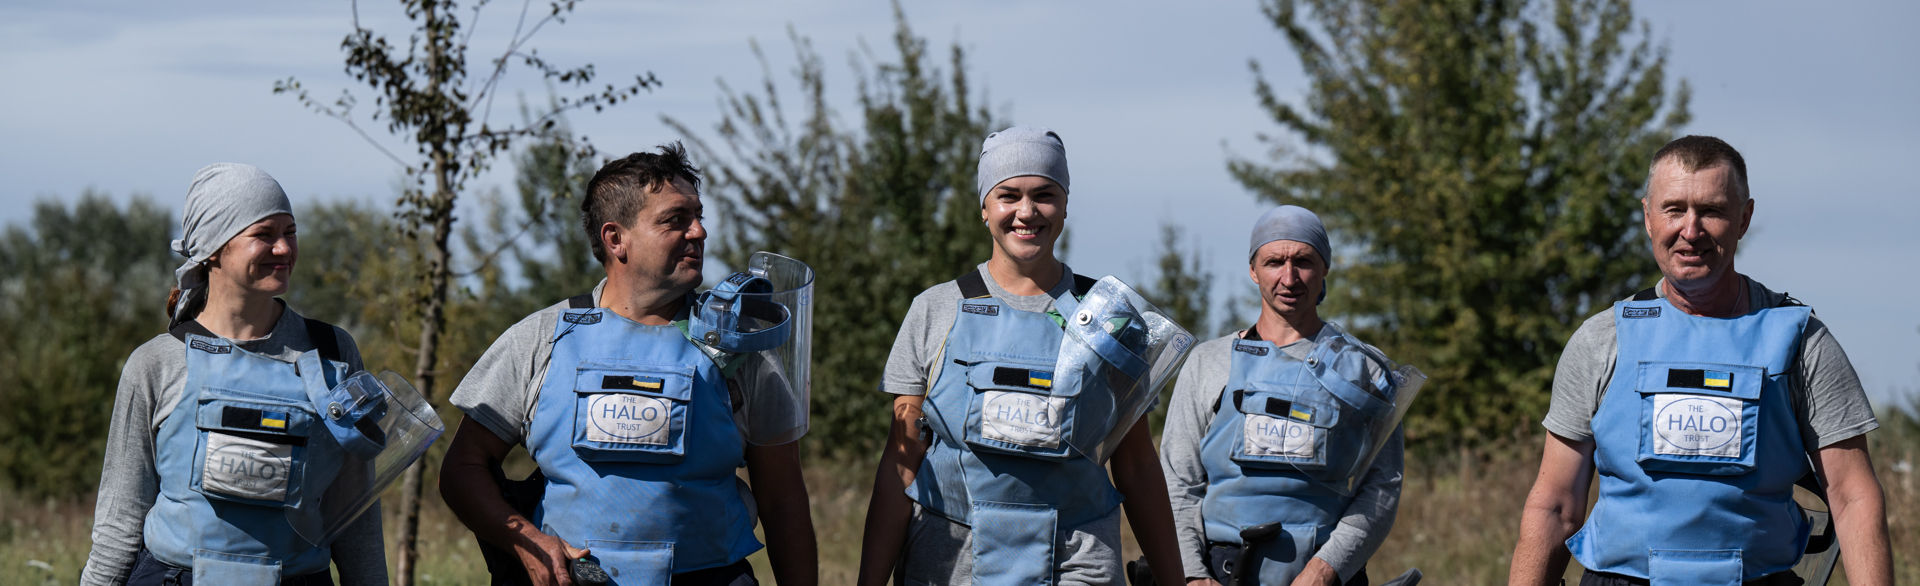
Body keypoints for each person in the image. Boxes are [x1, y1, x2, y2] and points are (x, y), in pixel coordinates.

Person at [1508, 136, 1894, 586]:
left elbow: (1852, 497)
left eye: (1711, 210)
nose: (1691, 230)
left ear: (1744, 218)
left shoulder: (1801, 340)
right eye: (1674, 209)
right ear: (1648, 216)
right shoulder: (1602, 340)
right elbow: (1555, 506)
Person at [439, 143, 818, 586]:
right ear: (615, 238)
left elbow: (783, 500)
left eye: (698, 217)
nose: (698, 232)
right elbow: (463, 469)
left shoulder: (744, 349)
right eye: (675, 220)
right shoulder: (541, 339)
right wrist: (526, 541)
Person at [856, 126, 1189, 586]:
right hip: (951, 557)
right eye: (1008, 195)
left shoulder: (1113, 319)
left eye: (1045, 195)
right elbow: (902, 459)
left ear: (1066, 204)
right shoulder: (934, 310)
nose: (1026, 212)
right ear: (984, 207)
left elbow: (1135, 464)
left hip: (1080, 559)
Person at [81, 163, 388, 585]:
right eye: (264, 234)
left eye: (290, 232)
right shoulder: (156, 363)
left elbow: (354, 510)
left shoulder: (333, 353)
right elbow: (121, 517)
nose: (284, 248)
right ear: (212, 249)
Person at [1159, 205, 1409, 586]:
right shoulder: (1207, 363)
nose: (1289, 278)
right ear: (1253, 270)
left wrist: (1325, 571)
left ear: (1325, 268)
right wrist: (1192, 575)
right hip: (1221, 572)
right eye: (1275, 261)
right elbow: (1177, 483)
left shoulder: (1364, 370)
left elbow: (1383, 486)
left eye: (1304, 261)